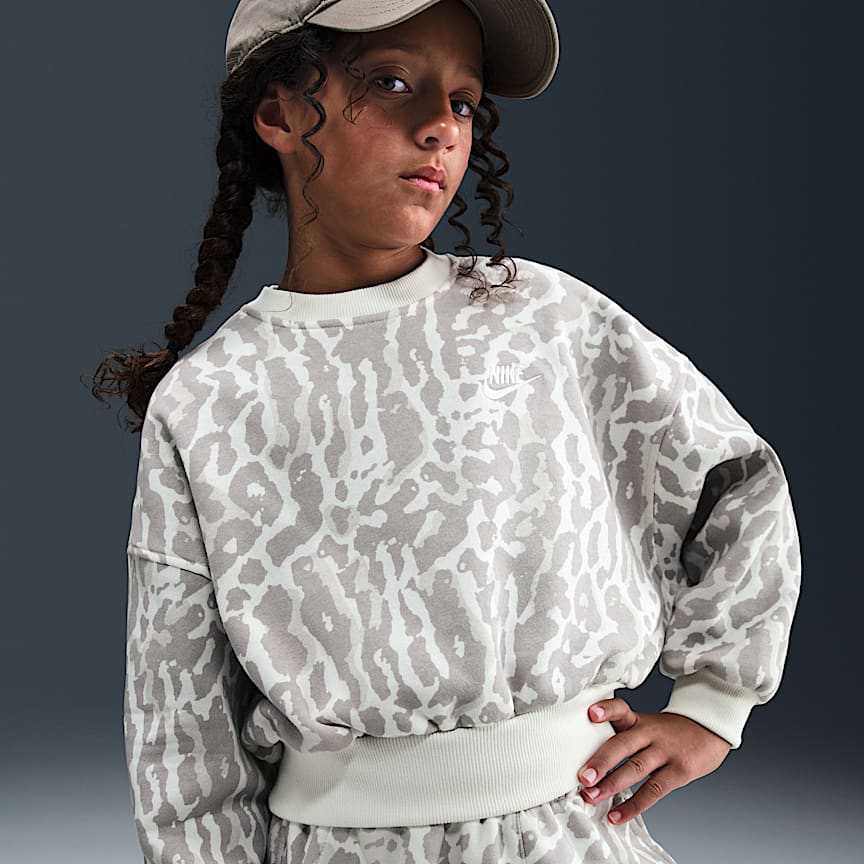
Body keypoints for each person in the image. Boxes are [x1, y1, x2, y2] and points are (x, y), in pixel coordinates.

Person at [87, 1, 802, 862]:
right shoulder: (210, 401)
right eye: (393, 82)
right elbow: (181, 723)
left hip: (572, 838)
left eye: (463, 101)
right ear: (278, 113)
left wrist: (713, 706)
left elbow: (736, 483)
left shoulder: (545, 320)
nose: (441, 126)